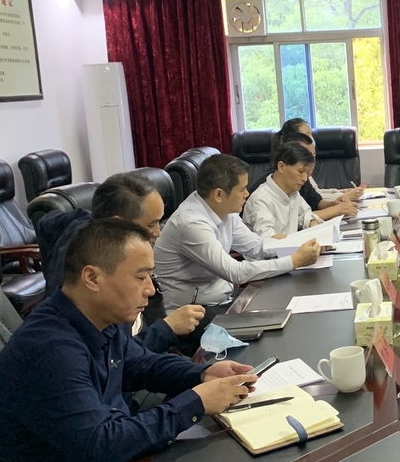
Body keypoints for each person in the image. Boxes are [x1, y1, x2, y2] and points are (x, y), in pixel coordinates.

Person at [0, 220, 258, 462]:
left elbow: (143, 364)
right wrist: (196, 402)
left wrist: (201, 375)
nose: (151, 290)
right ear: (92, 278)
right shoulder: (50, 350)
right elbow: (102, 445)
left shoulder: (98, 320)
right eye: (141, 277)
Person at [153, 153, 320, 349]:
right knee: (271, 336)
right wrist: (294, 261)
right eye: (242, 189)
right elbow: (236, 272)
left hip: (223, 301)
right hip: (192, 316)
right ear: (219, 194)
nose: (247, 194)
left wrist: (298, 246)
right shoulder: (191, 224)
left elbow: (257, 246)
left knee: (285, 310)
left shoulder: (223, 209)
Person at [36, 172, 203, 352]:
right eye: (150, 225)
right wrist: (166, 328)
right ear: (117, 224)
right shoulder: (97, 273)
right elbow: (115, 357)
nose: (158, 232)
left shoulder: (119, 255)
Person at [277, 118, 363, 219]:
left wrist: (334, 204)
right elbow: (300, 219)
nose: (305, 178)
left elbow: (315, 202)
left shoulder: (299, 180)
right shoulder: (271, 191)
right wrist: (336, 210)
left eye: (313, 156)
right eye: (301, 171)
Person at [242, 140, 317, 238]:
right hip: (272, 248)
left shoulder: (293, 193)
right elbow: (267, 237)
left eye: (308, 173)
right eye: (301, 171)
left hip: (292, 247)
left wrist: (314, 227)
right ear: (281, 167)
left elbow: (307, 216)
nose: (305, 178)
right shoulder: (260, 199)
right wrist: (301, 240)